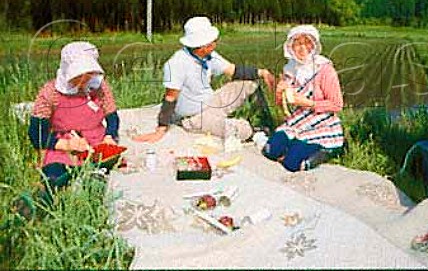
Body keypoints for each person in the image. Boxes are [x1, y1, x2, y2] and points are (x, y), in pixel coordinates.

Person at [134, 16, 275, 143]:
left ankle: (266, 122)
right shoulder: (176, 64)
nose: (215, 44)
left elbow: (233, 71)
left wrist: (262, 72)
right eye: (212, 42)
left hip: (211, 101)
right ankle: (256, 132)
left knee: (250, 84)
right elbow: (170, 98)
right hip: (194, 117)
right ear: (202, 46)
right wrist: (161, 129)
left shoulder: (210, 56)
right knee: (239, 128)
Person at [28, 41, 120, 193]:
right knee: (53, 178)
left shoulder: (100, 87)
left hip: (96, 143)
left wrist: (110, 136)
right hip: (62, 145)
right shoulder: (51, 92)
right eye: (79, 75)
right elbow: (36, 134)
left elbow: (112, 116)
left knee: (99, 180)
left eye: (88, 73)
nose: (84, 79)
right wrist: (67, 145)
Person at [262, 25, 345, 172]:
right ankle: (294, 146)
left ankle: (330, 150)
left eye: (307, 43)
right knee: (270, 150)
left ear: (314, 45)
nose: (302, 48)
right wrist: (279, 92)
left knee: (292, 164)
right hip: (297, 120)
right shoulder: (290, 68)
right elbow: (282, 104)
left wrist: (306, 102)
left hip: (321, 122)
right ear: (290, 47)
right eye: (297, 43)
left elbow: (337, 105)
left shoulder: (324, 69)